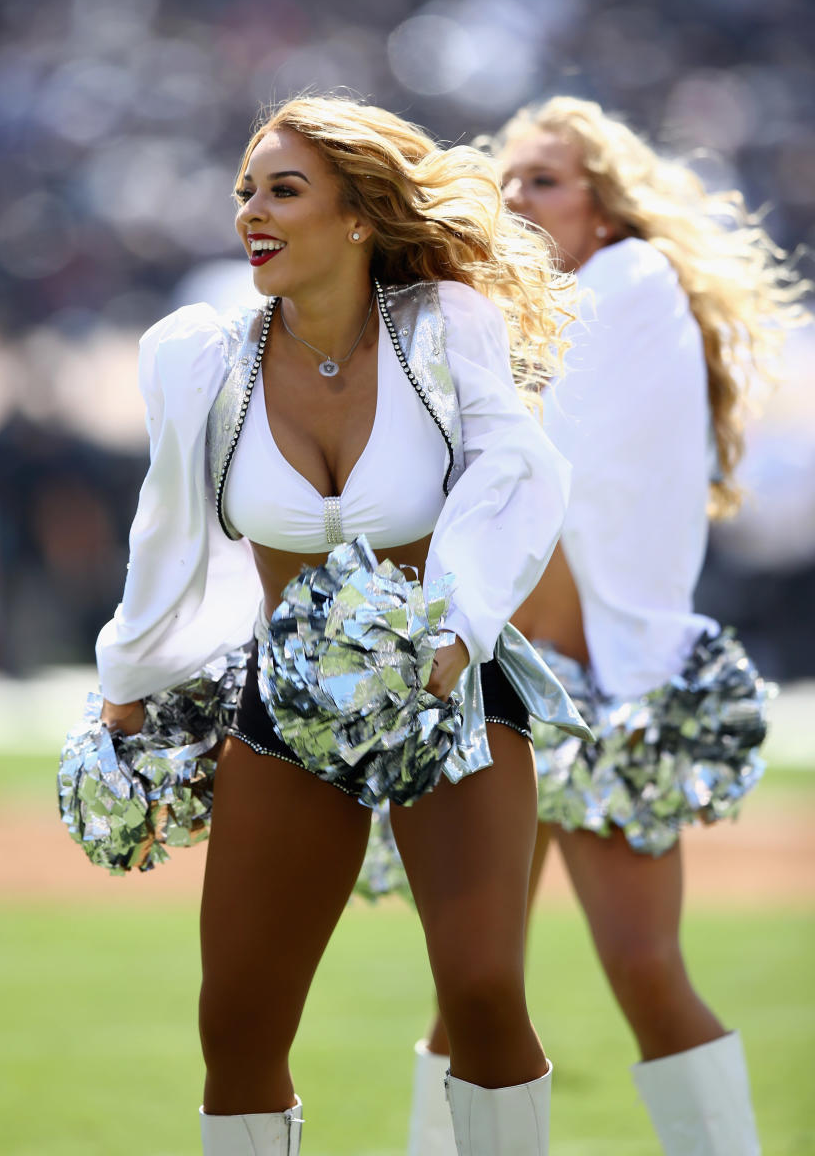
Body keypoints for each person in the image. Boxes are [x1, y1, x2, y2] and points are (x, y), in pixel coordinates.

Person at [94, 95, 591, 1155]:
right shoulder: (200, 360)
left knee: (484, 987)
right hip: (287, 708)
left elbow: (520, 472)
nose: (253, 214)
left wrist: (453, 635)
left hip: (448, 693)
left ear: (360, 215)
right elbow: (166, 530)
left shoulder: (444, 331)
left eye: (284, 190)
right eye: (244, 192)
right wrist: (126, 683)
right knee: (236, 1022)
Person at [405, 96, 807, 1156]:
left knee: (642, 970)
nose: (517, 200)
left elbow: (539, 425)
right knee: (475, 980)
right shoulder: (500, 314)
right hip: (499, 693)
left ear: (606, 208)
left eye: (544, 181)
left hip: (609, 699)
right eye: (507, 183)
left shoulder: (632, 286)